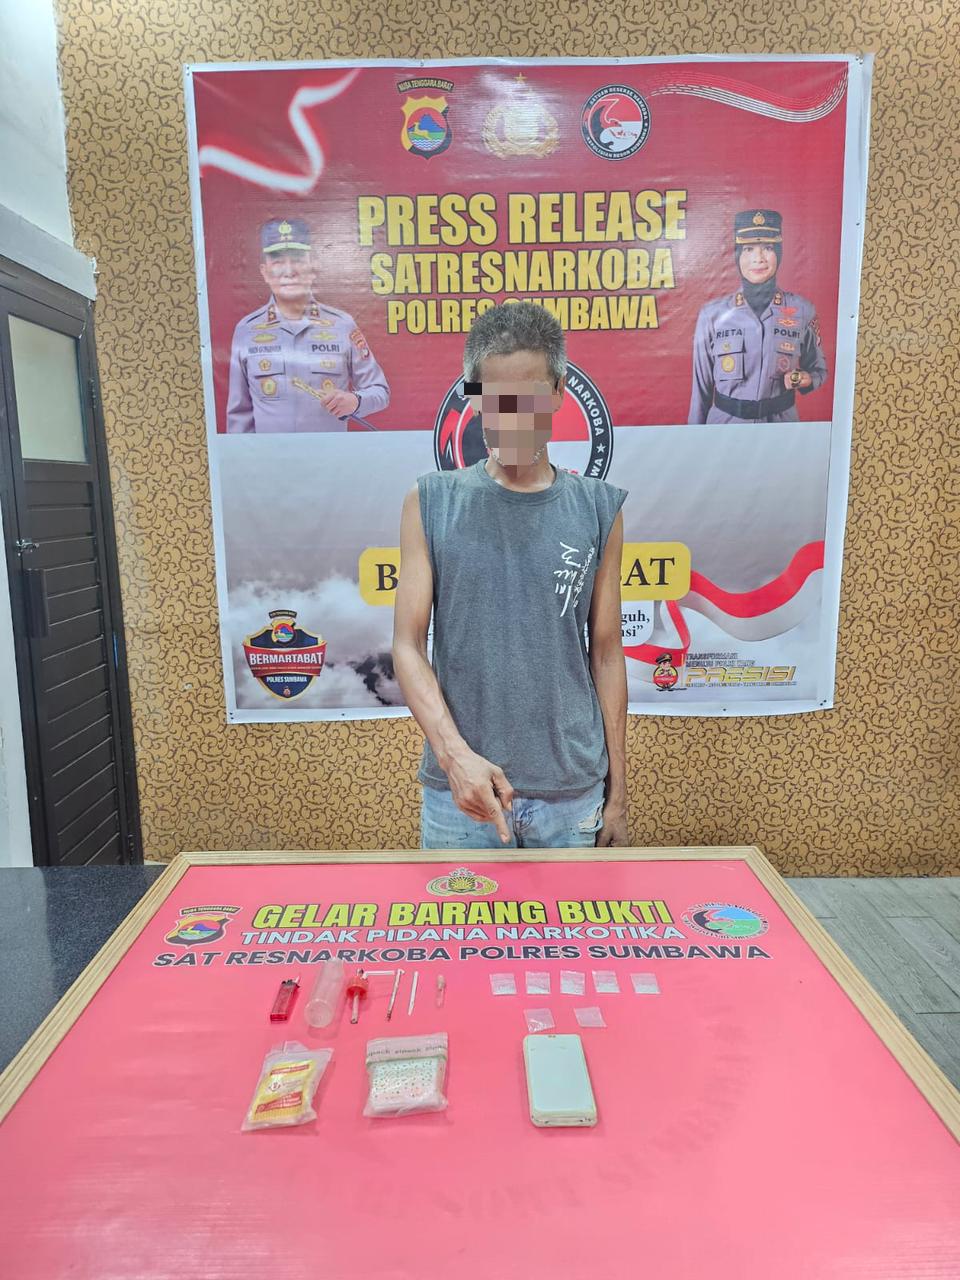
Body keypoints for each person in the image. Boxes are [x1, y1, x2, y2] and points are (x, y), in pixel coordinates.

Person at [392, 301, 629, 850]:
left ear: (558, 393)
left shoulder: (599, 508)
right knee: (457, 914)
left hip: (572, 794)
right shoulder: (431, 501)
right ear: (474, 398)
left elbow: (607, 653)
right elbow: (407, 645)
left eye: (530, 397)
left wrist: (617, 794)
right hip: (462, 797)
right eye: (498, 399)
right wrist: (454, 757)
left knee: (579, 915)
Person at [225, 217, 390, 433]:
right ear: (264, 272)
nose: (289, 271)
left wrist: (356, 401)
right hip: (269, 454)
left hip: (329, 453)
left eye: (297, 260)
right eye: (278, 262)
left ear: (313, 267)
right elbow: (239, 415)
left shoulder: (342, 325)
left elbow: (379, 391)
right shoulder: (247, 330)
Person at [688, 209, 828, 424]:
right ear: (737, 255)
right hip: (725, 427)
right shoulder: (712, 315)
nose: (758, 259)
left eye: (768, 248)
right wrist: (694, 438)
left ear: (779, 253)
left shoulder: (802, 310)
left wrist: (807, 379)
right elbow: (700, 392)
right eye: (748, 249)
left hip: (782, 427)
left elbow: (819, 369)